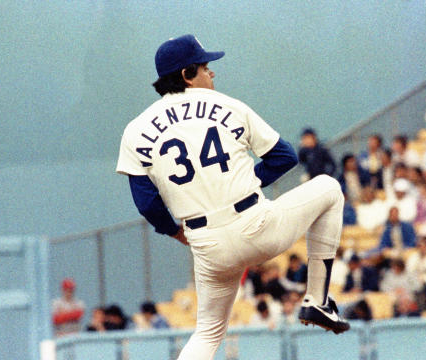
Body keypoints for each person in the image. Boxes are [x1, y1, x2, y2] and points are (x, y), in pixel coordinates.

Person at [115, 35, 349, 358]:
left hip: (207, 245)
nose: (211, 74)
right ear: (187, 74)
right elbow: (285, 157)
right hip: (256, 225)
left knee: (207, 333)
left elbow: (146, 203)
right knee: (330, 189)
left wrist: (175, 232)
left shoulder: (135, 130)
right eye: (205, 67)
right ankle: (317, 301)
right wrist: (248, 182)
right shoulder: (227, 105)